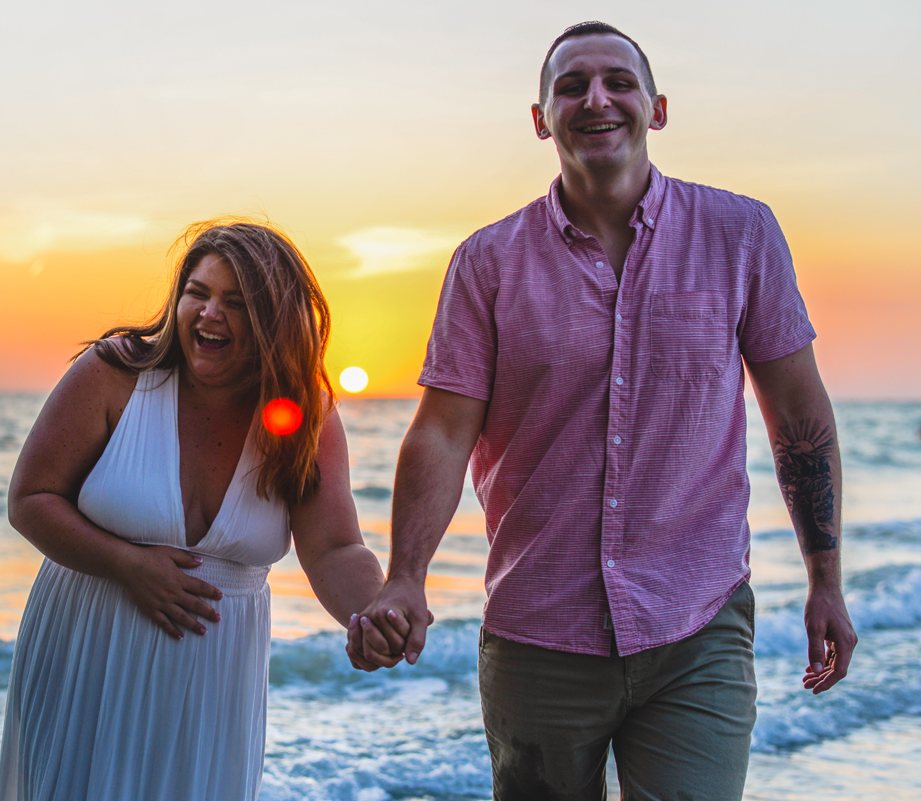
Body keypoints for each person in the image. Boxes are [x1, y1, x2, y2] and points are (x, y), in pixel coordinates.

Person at [347, 21, 857, 801]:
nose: (596, 99)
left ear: (655, 108)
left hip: (699, 622)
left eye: (618, 82)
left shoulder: (740, 234)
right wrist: (405, 578)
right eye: (571, 85)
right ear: (540, 117)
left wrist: (827, 578)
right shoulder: (486, 263)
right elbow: (444, 432)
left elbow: (797, 415)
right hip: (537, 631)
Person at [0, 220, 395, 801]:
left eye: (236, 302)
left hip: (214, 682)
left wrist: (373, 613)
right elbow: (30, 500)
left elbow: (334, 548)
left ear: (275, 321)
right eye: (198, 293)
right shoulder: (118, 373)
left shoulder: (305, 416)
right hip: (90, 654)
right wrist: (127, 564)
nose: (210, 314)